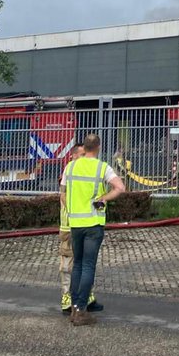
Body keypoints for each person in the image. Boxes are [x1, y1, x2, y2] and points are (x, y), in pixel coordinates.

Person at [61, 133, 125, 326]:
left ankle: (74, 308)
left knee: (77, 265)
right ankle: (81, 311)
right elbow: (120, 187)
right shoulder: (101, 167)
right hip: (93, 225)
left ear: (84, 147)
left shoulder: (70, 166)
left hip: (75, 224)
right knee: (88, 266)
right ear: (97, 147)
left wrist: (71, 209)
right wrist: (104, 198)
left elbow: (62, 192)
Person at [58, 144, 101, 316]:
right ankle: (68, 299)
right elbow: (63, 196)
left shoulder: (83, 172)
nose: (85, 158)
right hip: (70, 226)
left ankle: (87, 297)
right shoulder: (69, 171)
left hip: (83, 224)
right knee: (69, 265)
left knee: (85, 263)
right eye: (82, 154)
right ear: (74, 155)